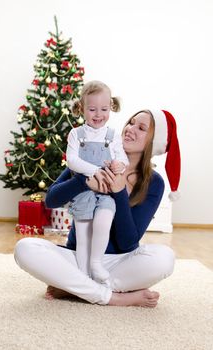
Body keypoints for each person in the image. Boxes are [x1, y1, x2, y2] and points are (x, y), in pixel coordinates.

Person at [14, 109, 181, 308]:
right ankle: (113, 297)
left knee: (164, 258)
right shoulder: (90, 157)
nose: (130, 129)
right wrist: (84, 182)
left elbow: (128, 243)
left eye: (141, 128)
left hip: (118, 262)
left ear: (154, 143)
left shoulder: (154, 183)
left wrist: (118, 193)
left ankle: (75, 289)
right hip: (79, 258)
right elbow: (51, 200)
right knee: (25, 248)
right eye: (131, 122)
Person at [66, 80, 129, 283]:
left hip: (104, 193)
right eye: (92, 109)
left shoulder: (113, 136)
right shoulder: (76, 134)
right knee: (83, 235)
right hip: (84, 193)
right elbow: (72, 160)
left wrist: (119, 165)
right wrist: (94, 171)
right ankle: (83, 276)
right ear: (82, 108)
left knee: (103, 222)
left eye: (104, 109)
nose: (98, 115)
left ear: (111, 107)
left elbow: (123, 159)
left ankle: (96, 263)